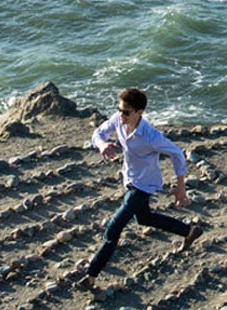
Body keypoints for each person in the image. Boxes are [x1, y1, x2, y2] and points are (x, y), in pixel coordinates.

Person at [78, 87, 203, 290]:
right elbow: (98, 133)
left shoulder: (151, 136)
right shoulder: (119, 120)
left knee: (114, 227)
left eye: (126, 111)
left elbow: (177, 154)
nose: (121, 114)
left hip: (144, 185)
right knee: (144, 218)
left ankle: (90, 276)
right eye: (119, 109)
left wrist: (181, 189)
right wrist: (102, 145)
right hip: (129, 179)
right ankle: (189, 231)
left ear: (139, 112)